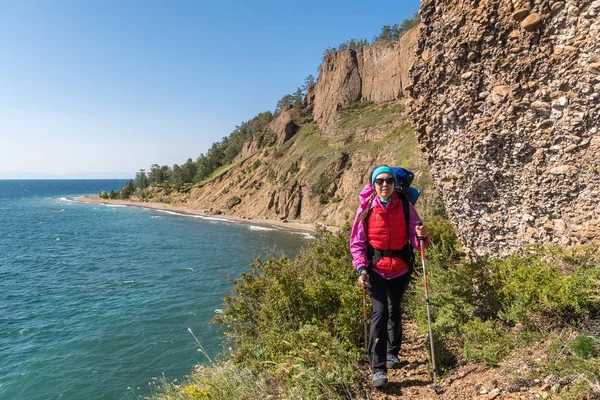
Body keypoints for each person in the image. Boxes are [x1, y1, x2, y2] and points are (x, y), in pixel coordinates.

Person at [350, 165, 430, 388]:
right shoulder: (365, 209)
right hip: (375, 269)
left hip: (401, 268)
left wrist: (422, 236)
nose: (384, 185)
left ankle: (393, 351)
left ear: (395, 184)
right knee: (380, 312)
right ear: (373, 185)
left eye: (389, 181)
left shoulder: (405, 206)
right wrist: (361, 269)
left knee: (394, 309)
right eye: (379, 181)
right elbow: (357, 243)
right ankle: (378, 368)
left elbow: (416, 241)